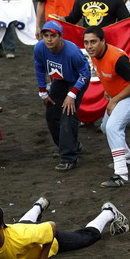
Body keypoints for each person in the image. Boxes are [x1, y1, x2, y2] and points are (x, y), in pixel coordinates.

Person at [0, 199, 129, 259]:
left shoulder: (22, 237)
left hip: (44, 239)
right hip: (23, 228)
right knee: (25, 224)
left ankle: (108, 212)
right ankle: (39, 205)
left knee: (86, 237)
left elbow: (51, 226)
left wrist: (43, 258)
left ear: (1, 227)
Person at [34, 21, 90, 171]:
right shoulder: (39, 48)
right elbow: (39, 67)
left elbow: (85, 73)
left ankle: (69, 157)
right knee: (51, 114)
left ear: (61, 37)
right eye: (46, 36)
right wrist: (42, 92)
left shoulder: (72, 52)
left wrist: (72, 94)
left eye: (53, 36)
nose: (49, 39)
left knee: (67, 114)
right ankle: (69, 146)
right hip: (60, 79)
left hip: (77, 80)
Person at [83, 26, 130, 187]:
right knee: (106, 127)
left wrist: (114, 99)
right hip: (119, 97)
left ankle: (121, 174)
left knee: (112, 127)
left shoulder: (117, 58)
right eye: (86, 42)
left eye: (93, 42)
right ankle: (128, 158)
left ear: (103, 41)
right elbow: (109, 75)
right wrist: (108, 91)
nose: (89, 46)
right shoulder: (96, 55)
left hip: (128, 97)